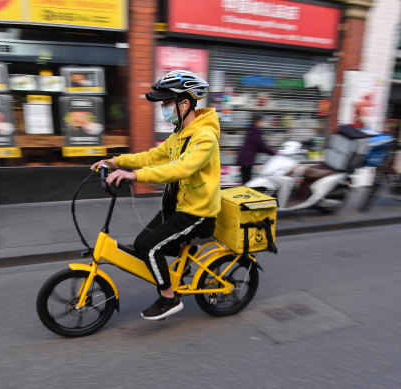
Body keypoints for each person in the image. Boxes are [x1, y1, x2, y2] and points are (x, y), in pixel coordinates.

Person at [91, 70, 221, 321]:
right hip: (177, 208)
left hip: (197, 212)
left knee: (150, 248)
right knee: (141, 244)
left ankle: (169, 297)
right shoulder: (178, 135)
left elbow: (181, 168)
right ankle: (180, 266)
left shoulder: (204, 137)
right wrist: (116, 162)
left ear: (184, 104)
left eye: (166, 104)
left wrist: (135, 176)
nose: (163, 109)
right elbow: (151, 156)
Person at [237, 113, 276, 184]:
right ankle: (245, 193)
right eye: (262, 120)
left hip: (244, 158)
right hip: (247, 159)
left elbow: (257, 146)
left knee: (245, 180)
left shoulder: (251, 128)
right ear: (259, 121)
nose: (263, 122)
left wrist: (268, 151)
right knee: (246, 182)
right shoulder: (257, 130)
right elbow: (261, 145)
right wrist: (273, 152)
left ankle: (244, 192)